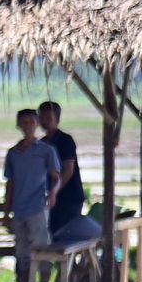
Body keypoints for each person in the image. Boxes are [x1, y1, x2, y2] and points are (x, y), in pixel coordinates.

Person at [2, 109, 63, 282]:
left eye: (31, 122)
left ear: (36, 124)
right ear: (19, 125)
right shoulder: (13, 153)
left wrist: (53, 193)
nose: (27, 126)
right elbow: (10, 184)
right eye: (24, 122)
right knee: (22, 250)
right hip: (19, 209)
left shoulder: (46, 150)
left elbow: (56, 177)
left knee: (42, 248)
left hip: (38, 206)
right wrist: (6, 212)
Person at [38, 101, 85, 238]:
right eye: (42, 118)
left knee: (67, 236)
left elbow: (68, 170)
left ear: (57, 119)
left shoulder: (65, 140)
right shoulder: (41, 143)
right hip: (51, 198)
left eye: (48, 118)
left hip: (69, 197)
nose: (44, 121)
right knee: (51, 235)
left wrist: (54, 192)